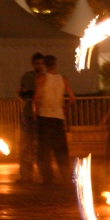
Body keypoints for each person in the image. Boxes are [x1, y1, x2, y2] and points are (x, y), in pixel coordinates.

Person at [33, 55, 76, 184]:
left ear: (45, 65)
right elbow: (72, 98)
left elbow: (37, 98)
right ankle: (66, 176)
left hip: (44, 116)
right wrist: (65, 108)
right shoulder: (63, 79)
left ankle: (47, 177)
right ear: (55, 65)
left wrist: (36, 112)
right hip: (58, 117)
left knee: (44, 150)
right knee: (61, 149)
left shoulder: (42, 79)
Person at [17, 53, 44, 183]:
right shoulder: (27, 77)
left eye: (41, 63)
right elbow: (21, 92)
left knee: (41, 146)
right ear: (33, 64)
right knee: (26, 145)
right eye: (37, 63)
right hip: (28, 114)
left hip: (42, 114)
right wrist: (25, 95)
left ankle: (45, 175)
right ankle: (26, 175)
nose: (39, 66)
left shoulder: (46, 77)